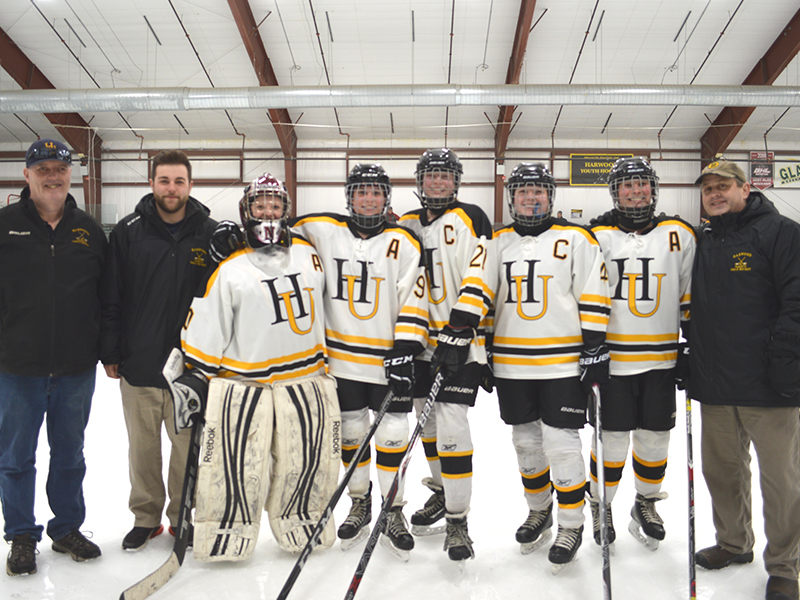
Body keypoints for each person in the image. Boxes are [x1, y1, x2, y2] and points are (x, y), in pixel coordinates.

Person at [177, 174, 340, 559]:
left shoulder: (307, 250)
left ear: (287, 209)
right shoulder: (229, 265)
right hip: (241, 384)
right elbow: (209, 319)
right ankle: (224, 533)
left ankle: (304, 522)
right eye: (260, 204)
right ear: (246, 210)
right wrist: (197, 374)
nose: (268, 211)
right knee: (234, 465)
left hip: (305, 380)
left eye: (275, 204)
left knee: (308, 461)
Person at [291, 164, 428, 558]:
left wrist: (406, 350)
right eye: (361, 191)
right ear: (349, 196)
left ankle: (393, 507)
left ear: (388, 198)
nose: (368, 199)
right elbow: (276, 231)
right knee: (351, 435)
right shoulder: (322, 229)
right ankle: (360, 501)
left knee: (392, 436)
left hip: (388, 361)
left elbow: (414, 298)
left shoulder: (404, 242)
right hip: (341, 362)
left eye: (376, 192)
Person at [485, 163, 610, 567]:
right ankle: (539, 509)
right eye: (523, 191)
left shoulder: (576, 237)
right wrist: (483, 347)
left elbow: (593, 289)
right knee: (525, 443)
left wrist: (593, 347)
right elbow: (483, 293)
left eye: (539, 191)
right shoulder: (496, 241)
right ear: (512, 198)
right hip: (511, 365)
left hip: (562, 364)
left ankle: (571, 523)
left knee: (561, 443)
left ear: (550, 197)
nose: (531, 197)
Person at [690, 160, 800, 600]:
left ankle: (786, 566)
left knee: (781, 481)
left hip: (769, 382)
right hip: (716, 381)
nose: (715, 194)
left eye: (723, 186)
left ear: (744, 188)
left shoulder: (780, 232)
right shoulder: (705, 240)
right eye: (708, 189)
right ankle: (734, 543)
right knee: (723, 472)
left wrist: (787, 355)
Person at [100, 149, 217, 551]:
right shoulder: (128, 231)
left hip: (192, 367)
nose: (171, 188)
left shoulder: (209, 232)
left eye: (179, 181)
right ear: (151, 183)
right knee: (143, 448)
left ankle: (184, 516)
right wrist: (111, 351)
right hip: (140, 361)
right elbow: (111, 294)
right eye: (164, 180)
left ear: (190, 185)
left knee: (188, 449)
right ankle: (146, 518)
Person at [0, 139, 107, 576]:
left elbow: (107, 294)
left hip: (75, 369)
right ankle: (23, 535)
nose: (51, 175)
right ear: (26, 176)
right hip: (17, 369)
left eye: (58, 168)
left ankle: (66, 529)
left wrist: (105, 349)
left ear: (71, 176)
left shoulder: (89, 230)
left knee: (70, 455)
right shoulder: (5, 226)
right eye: (41, 168)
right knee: (16, 458)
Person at [588, 157, 695, 550]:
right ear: (615, 192)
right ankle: (602, 506)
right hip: (613, 360)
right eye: (627, 185)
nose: (636, 191)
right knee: (611, 441)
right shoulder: (596, 235)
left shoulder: (679, 233)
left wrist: (692, 345)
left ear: (654, 188)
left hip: (662, 360)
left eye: (642, 184)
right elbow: (585, 295)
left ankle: (646, 504)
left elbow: (689, 294)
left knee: (654, 439)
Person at [398, 148, 493, 561]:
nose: (437, 183)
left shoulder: (472, 216)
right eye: (430, 176)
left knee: (452, 427)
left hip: (458, 343)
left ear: (456, 181)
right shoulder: (404, 223)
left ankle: (458, 520)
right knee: (428, 423)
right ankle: (440, 490)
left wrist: (461, 327)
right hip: (419, 343)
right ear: (419, 182)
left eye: (444, 176)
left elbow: (482, 270)